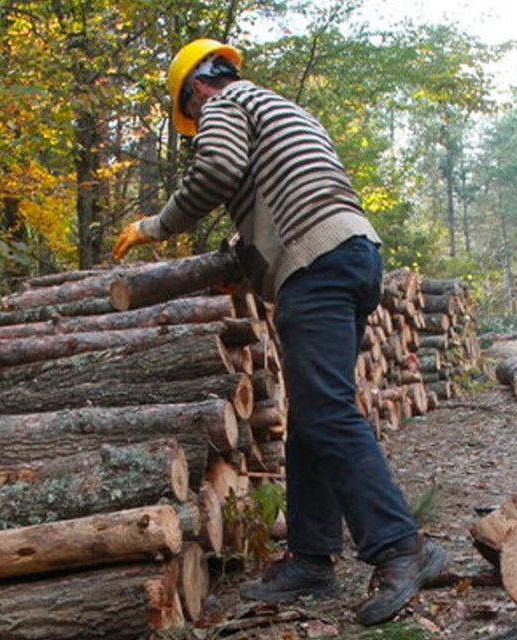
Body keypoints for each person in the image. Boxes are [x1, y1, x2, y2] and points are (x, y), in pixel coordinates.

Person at [112, 39, 446, 626]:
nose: (198, 122)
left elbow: (217, 169)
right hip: (351, 253)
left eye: (190, 114)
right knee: (314, 416)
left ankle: (401, 547)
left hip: (316, 265)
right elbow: (281, 196)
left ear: (194, 89)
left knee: (328, 413)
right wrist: (246, 259)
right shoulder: (281, 110)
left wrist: (156, 225)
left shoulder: (223, 104)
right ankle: (313, 559)